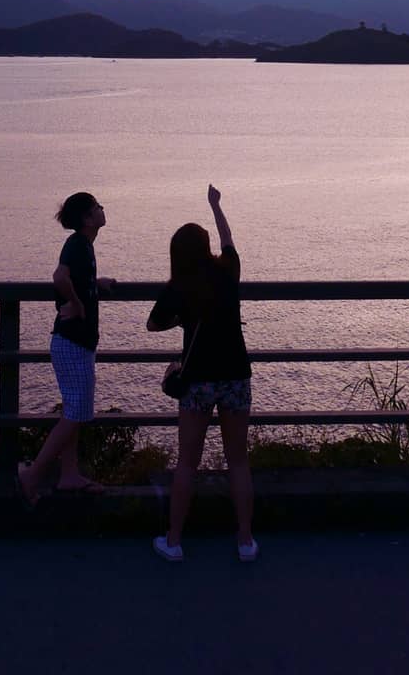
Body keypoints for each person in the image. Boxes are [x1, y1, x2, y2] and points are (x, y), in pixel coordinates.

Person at [147, 184, 257, 562]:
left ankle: (174, 541)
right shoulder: (228, 271)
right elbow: (228, 240)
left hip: (197, 381)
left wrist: (182, 319)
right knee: (238, 461)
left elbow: (153, 323)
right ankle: (245, 541)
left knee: (187, 463)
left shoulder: (179, 285)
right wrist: (216, 205)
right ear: (207, 245)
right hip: (235, 376)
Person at [17, 191, 116, 505]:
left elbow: (72, 275)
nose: (103, 209)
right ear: (88, 218)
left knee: (74, 409)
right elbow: (59, 276)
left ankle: (69, 475)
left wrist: (93, 283)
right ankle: (32, 475)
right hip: (72, 342)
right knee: (76, 414)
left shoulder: (84, 247)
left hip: (75, 343)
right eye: (98, 207)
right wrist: (75, 303)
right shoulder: (77, 244)